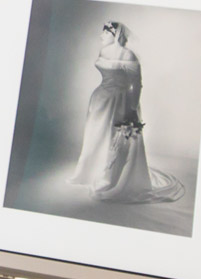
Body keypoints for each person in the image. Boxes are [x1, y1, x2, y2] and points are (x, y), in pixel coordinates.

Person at [70, 21, 184, 204]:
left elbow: (136, 83)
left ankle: (111, 176)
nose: (101, 36)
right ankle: (90, 171)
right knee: (96, 134)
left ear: (114, 35)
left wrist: (131, 108)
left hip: (121, 101)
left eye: (105, 33)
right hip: (100, 100)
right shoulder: (103, 51)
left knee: (117, 138)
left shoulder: (129, 55)